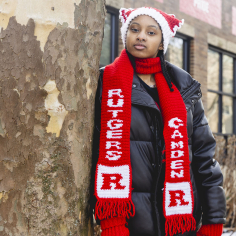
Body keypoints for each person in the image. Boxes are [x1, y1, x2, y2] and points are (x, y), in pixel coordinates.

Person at [89, 7, 226, 236]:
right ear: (126, 35)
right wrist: (112, 222)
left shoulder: (184, 86)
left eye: (151, 32)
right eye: (135, 29)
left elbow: (204, 156)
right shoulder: (106, 82)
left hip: (181, 222)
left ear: (163, 42)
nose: (141, 36)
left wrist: (214, 218)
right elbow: (94, 153)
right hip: (131, 221)